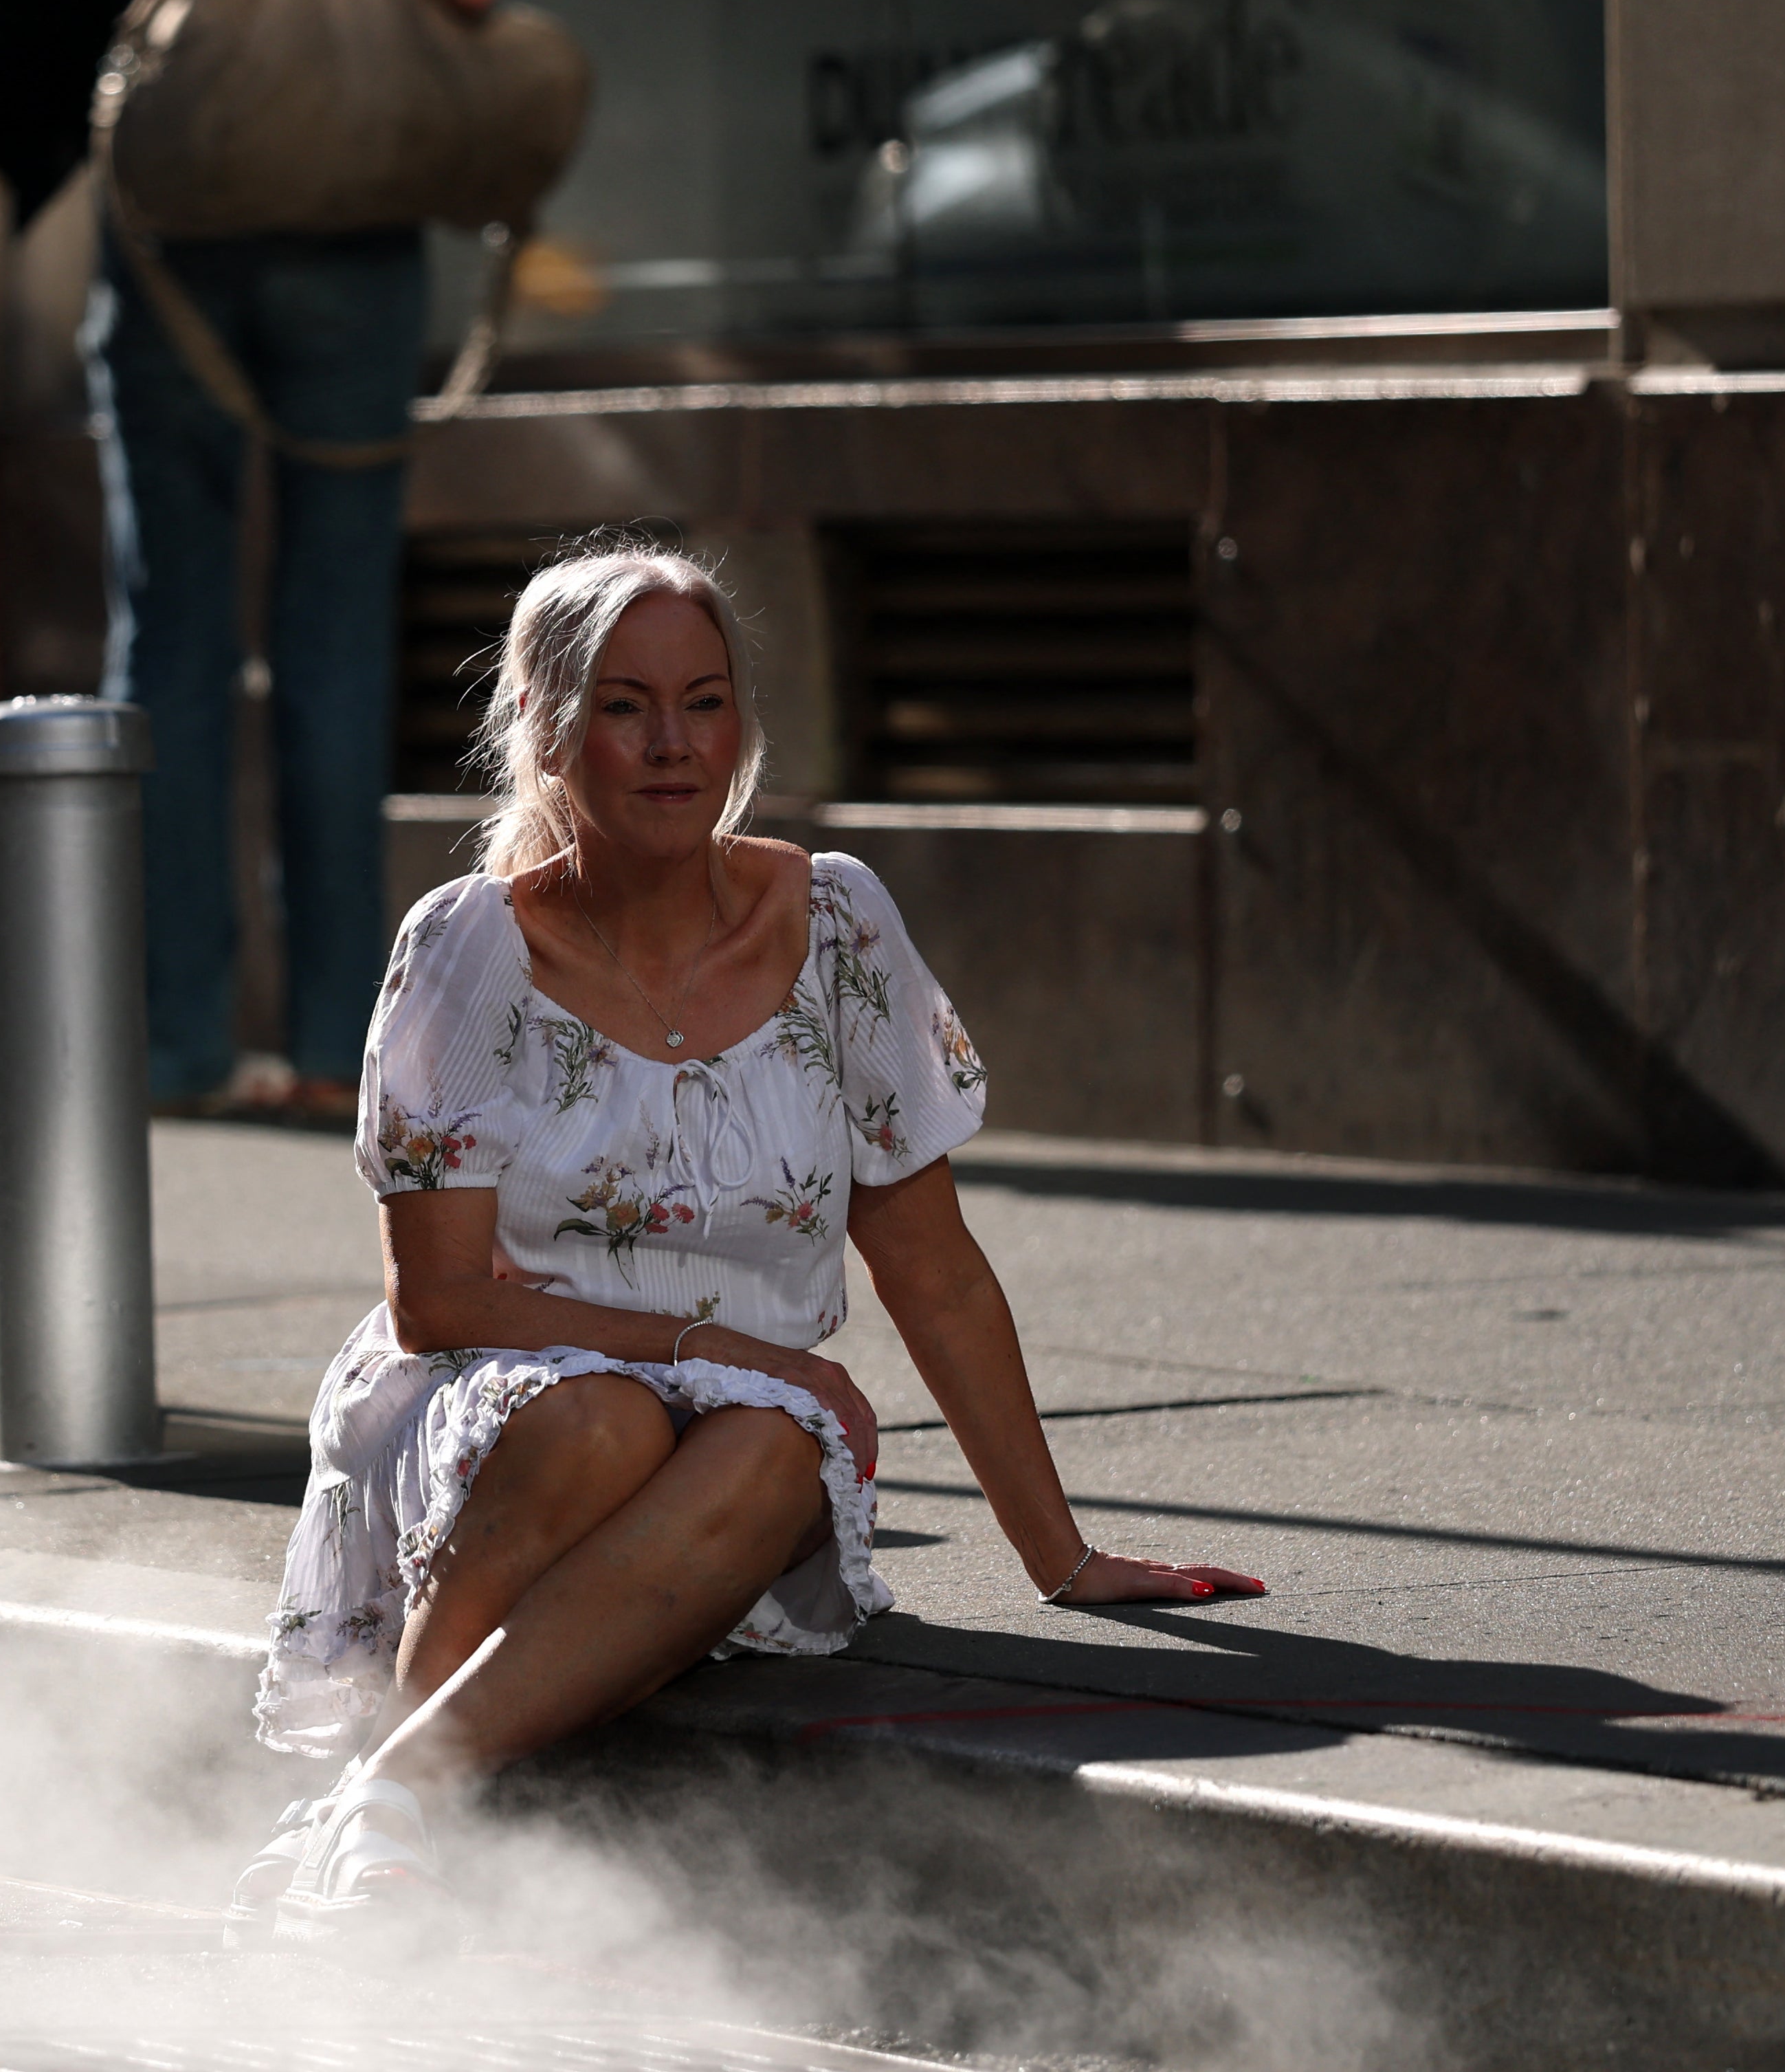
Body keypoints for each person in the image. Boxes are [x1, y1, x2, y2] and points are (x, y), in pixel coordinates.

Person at [235, 540, 1267, 1943]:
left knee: (783, 1443)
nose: (672, 745)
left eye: (703, 701)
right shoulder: (468, 945)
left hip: (735, 1420)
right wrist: (702, 1341)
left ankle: (386, 1796)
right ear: (541, 731)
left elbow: (932, 1266)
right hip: (495, 1378)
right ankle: (398, 1811)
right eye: (622, 706)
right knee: (599, 1426)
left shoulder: (834, 922)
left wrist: (1060, 1555)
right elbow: (435, 1301)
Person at [0, 0, 504, 1121]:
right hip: (351, 234)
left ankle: (177, 1038)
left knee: (170, 637)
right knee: (335, 644)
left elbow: (24, 5)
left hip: (166, 237)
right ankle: (339, 1045)